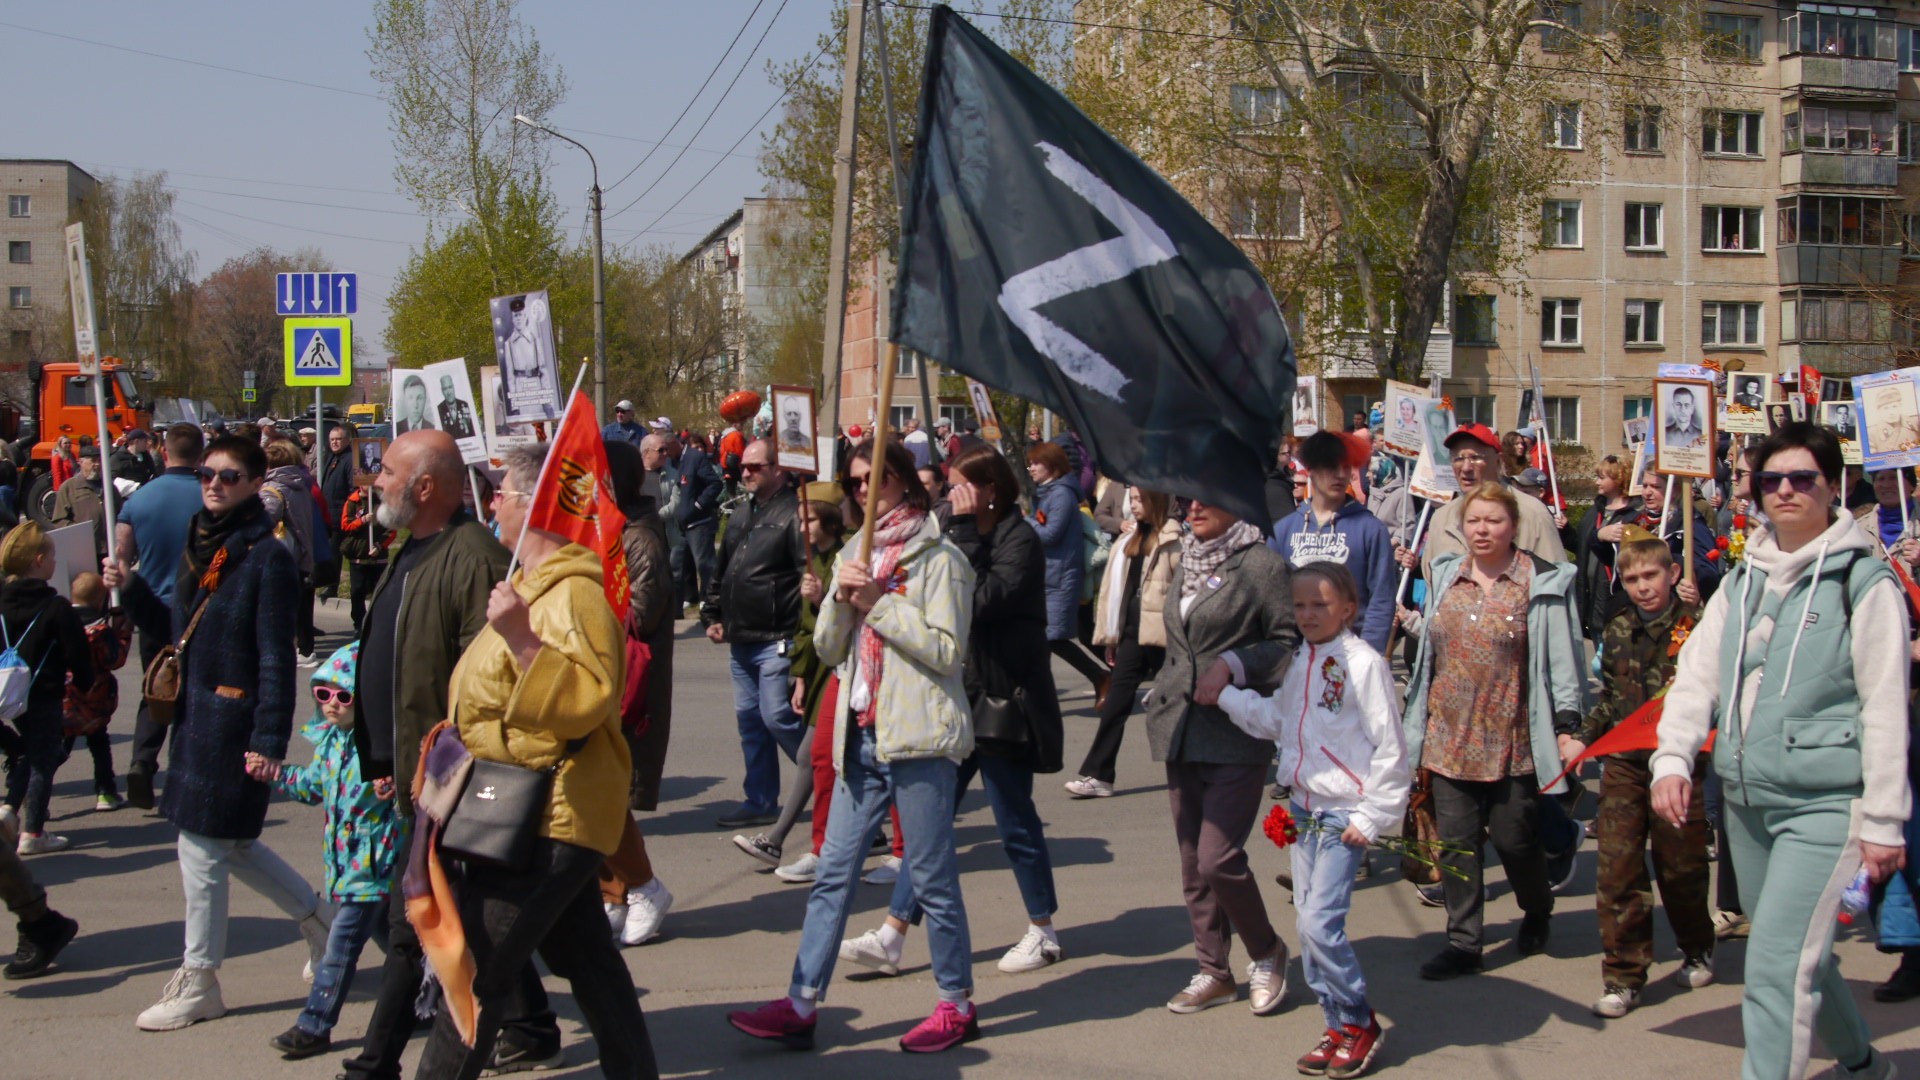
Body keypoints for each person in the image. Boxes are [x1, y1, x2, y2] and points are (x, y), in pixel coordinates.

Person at [1652, 422, 1910, 1080]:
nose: (1787, 490)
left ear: (1832, 488)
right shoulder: (1742, 580)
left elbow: (1884, 706)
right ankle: (1861, 1065)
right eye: (1772, 480)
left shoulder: (1863, 581)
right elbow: (1697, 679)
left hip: (1826, 804)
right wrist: (1674, 759)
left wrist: (1884, 819)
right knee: (1804, 958)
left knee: (1771, 968)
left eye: (1803, 479)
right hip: (1746, 803)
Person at [727, 438, 982, 1054]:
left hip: (918, 738)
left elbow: (948, 652)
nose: (866, 491)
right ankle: (801, 1001)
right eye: (857, 482)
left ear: (905, 483)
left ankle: (956, 1003)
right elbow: (830, 650)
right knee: (832, 875)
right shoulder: (854, 553)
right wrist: (840, 600)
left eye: (878, 479)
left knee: (932, 875)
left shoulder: (938, 559)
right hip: (861, 735)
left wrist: (880, 603)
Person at [413, 442, 657, 1080]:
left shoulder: (573, 595)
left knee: (477, 969)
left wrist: (522, 640)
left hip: (552, 812)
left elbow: (584, 702)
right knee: (592, 963)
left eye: (502, 493)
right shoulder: (524, 586)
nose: (491, 503)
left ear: (534, 503)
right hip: (526, 804)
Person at [338, 430, 561, 1080]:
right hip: (411, 768)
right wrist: (382, 761)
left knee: (416, 923)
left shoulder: (474, 558)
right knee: (492, 926)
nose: (374, 481)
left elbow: (478, 684)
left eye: (384, 472)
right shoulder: (415, 546)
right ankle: (532, 1025)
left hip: (447, 777)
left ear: (425, 487)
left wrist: (439, 775)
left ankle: (374, 1063)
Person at [104, 436, 332, 1032]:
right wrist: (128, 586)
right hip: (194, 719)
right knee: (230, 846)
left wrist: (267, 742)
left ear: (257, 483)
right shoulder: (200, 541)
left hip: (234, 725)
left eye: (229, 476)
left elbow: (275, 659)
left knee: (201, 850)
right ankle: (322, 922)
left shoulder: (267, 556)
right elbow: (176, 630)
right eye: (208, 473)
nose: (213, 484)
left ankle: (200, 978)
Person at [841, 443, 1067, 978]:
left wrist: (962, 531)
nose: (951, 491)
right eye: (950, 481)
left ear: (990, 490)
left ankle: (1044, 929)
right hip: (961, 695)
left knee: (1014, 819)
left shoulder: (1019, 539)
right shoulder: (951, 532)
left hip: (1004, 699)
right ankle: (894, 934)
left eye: (963, 483)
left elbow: (976, 600)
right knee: (932, 823)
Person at [1217, 562, 1408, 1077]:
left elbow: (1391, 746)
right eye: (1299, 605)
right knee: (1306, 922)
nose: (1307, 614)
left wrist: (1372, 817)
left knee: (1322, 924)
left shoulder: (1363, 664)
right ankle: (1336, 1024)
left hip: (1344, 810)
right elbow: (1281, 719)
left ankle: (1359, 1020)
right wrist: (1228, 696)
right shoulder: (1303, 659)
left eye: (1320, 605)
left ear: (1348, 608)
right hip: (1304, 807)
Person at [1398, 482, 1590, 980]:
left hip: (1512, 735)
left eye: (1493, 521)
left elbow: (1562, 660)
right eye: (1474, 521)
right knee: (1458, 843)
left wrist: (1569, 724)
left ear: (1513, 527)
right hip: (1448, 732)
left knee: (1513, 838)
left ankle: (1537, 907)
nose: (1482, 530)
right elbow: (1433, 648)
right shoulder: (1445, 574)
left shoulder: (1542, 580)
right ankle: (1464, 942)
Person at [1145, 495, 1298, 1016]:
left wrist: (1233, 663)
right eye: (1186, 498)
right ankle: (1214, 970)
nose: (1192, 507)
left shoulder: (1262, 564)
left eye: (1206, 497)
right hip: (1180, 726)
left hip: (1235, 729)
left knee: (1218, 857)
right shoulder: (1186, 554)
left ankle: (1267, 950)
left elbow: (1287, 641)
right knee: (1193, 864)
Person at [1557, 533, 1714, 1020]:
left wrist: (1702, 607)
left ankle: (1696, 945)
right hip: (1625, 764)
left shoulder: (1697, 626)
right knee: (1618, 868)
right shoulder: (1618, 626)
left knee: (1680, 866)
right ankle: (1624, 975)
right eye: (1632, 578)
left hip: (1681, 764)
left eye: (1651, 576)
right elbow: (1609, 697)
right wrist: (1583, 735)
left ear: (1671, 574)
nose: (1643, 586)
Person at [731, 483, 905, 885]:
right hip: (829, 669)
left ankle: (897, 850)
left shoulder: (847, 556)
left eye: (810, 517)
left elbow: (847, 614)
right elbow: (813, 629)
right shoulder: (822, 558)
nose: (802, 524)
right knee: (819, 758)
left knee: (876, 760)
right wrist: (800, 672)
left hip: (855, 668)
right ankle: (818, 844)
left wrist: (822, 596)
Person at [261, 643, 404, 1060]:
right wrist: (275, 775)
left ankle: (315, 1023)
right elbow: (311, 787)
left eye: (344, 696)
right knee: (397, 943)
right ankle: (425, 998)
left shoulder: (380, 744)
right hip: (344, 868)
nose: (332, 705)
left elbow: (409, 791)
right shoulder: (330, 743)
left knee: (339, 949)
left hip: (373, 865)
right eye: (323, 694)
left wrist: (391, 788)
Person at [704, 438, 809, 828]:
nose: (744, 473)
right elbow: (723, 569)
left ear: (779, 469)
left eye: (754, 467)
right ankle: (760, 800)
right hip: (742, 638)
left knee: (778, 716)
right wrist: (712, 613)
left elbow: (807, 579)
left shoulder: (796, 513)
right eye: (741, 466)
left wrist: (802, 639)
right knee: (750, 722)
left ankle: (834, 784)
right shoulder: (742, 512)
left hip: (777, 636)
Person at [597, 440, 676, 948]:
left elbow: (640, 615)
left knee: (608, 792)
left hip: (625, 680)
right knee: (600, 792)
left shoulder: (639, 537)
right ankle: (613, 893)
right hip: (600, 675)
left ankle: (641, 888)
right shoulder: (607, 529)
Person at [1068, 486, 1181, 797]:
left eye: (1139, 499)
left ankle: (1208, 765)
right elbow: (1117, 592)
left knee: (1182, 704)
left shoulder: (1173, 539)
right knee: (1116, 702)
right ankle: (1099, 774)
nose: (1133, 506)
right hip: (1132, 634)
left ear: (1156, 500)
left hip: (1165, 636)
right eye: (1131, 499)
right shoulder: (1127, 541)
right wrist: (1112, 634)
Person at [116, 424, 206, 810]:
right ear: (201, 455)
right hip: (201, 608)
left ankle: (142, 760)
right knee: (198, 692)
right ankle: (188, 772)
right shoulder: (212, 496)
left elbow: (121, 556)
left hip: (152, 606)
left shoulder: (140, 500)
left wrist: (122, 602)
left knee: (157, 687)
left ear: (164, 453)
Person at [0, 524, 98, 854]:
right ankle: (33, 832)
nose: (55, 562)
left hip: (7, 693)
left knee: (32, 750)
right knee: (44, 759)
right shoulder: (55, 607)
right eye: (53, 556)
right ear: (39, 561)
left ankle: (9, 810)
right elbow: (77, 653)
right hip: (43, 692)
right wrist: (85, 683)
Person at [1269, 431, 1397, 652]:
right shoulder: (1284, 530)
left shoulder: (1371, 529)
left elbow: (1381, 599)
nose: (1340, 475)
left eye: (1346, 467)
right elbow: (1270, 597)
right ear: (1311, 470)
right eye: (1331, 466)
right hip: (1297, 659)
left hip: (1351, 656)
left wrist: (1367, 657)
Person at [1400, 423, 1566, 581]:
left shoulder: (1532, 513)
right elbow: (1433, 587)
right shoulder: (1441, 519)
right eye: (1458, 458)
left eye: (1475, 457)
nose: (1465, 468)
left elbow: (1556, 584)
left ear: (1498, 461)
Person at [1026, 442, 1110, 701]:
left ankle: (1102, 676)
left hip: (1061, 576)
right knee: (1042, 637)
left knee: (1053, 638)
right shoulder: (1046, 493)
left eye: (1035, 463)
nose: (1030, 468)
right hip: (1048, 574)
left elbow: (1050, 534)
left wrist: (1024, 520)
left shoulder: (1061, 494)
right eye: (1030, 463)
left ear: (1052, 465)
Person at [59, 571, 130, 813]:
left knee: (58, 749)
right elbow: (115, 660)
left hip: (67, 700)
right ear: (101, 600)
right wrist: (123, 634)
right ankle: (105, 792)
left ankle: (38, 791)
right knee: (99, 746)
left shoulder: (61, 624)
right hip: (95, 703)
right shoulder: (100, 631)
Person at [1574, 455, 1646, 642]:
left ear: (1619, 478)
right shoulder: (1595, 511)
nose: (1597, 481)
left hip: (1612, 596)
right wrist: (1566, 531)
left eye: (1602, 477)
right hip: (1591, 594)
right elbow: (1580, 546)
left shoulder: (1634, 513)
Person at [260, 439, 319, 662]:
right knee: (301, 606)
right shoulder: (301, 483)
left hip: (283, 556)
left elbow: (264, 521)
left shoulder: (273, 489)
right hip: (302, 552)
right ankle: (304, 649)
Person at [1636, 469, 1721, 600]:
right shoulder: (1636, 519)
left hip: (1674, 605)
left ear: (1674, 490)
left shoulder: (1690, 523)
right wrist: (1600, 537)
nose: (1647, 492)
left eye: (1655, 487)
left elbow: (1707, 574)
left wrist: (1669, 558)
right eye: (1645, 486)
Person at [673, 431, 723, 610]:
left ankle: (710, 600)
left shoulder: (696, 458)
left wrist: (698, 505)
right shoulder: (671, 462)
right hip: (681, 523)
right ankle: (687, 598)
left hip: (699, 521)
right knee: (681, 563)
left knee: (705, 563)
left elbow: (715, 484)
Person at [51, 444, 112, 560]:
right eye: (93, 461)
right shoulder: (69, 487)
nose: (97, 464)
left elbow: (120, 512)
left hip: (109, 549)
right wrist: (80, 533)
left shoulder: (108, 486)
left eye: (99, 460)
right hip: (84, 551)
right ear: (80, 462)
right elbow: (59, 520)